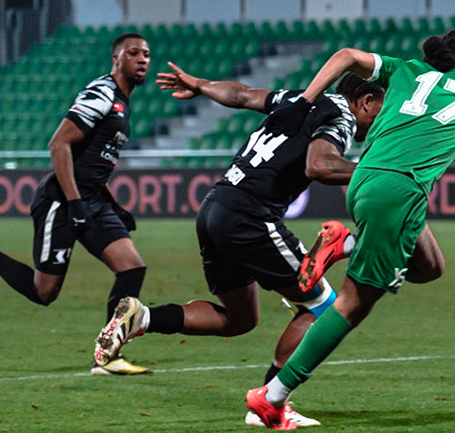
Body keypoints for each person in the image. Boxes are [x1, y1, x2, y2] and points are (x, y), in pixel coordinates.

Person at [245, 26, 455, 430]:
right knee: (352, 305)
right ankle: (273, 398)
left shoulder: (407, 70)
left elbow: (345, 56)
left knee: (430, 267)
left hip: (363, 180)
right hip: (400, 190)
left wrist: (305, 101)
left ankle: (345, 243)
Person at [91, 63, 385, 405]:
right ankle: (271, 402)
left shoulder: (298, 99)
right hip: (251, 215)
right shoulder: (341, 116)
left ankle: (143, 317)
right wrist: (382, 170)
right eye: (381, 112)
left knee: (239, 318)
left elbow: (242, 95)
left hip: (216, 207)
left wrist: (201, 82)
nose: (381, 123)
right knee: (321, 307)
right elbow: (320, 166)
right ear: (364, 100)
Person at [0, 32, 155, 374]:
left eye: (146, 54)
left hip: (91, 199)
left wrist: (113, 205)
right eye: (133, 53)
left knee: (132, 267)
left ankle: (107, 354)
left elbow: (92, 165)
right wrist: (74, 205)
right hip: (62, 198)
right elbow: (58, 144)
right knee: (45, 292)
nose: (142, 59)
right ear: (116, 60)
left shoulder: (123, 101)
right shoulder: (102, 92)